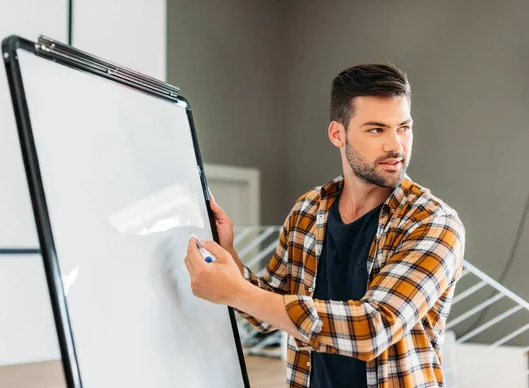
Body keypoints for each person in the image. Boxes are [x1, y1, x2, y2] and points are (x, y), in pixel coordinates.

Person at [184, 63, 466, 388]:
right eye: (377, 130)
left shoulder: (433, 223)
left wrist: (239, 292)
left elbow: (375, 329)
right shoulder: (308, 211)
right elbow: (268, 308)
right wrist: (229, 253)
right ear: (337, 134)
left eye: (403, 127)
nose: (396, 146)